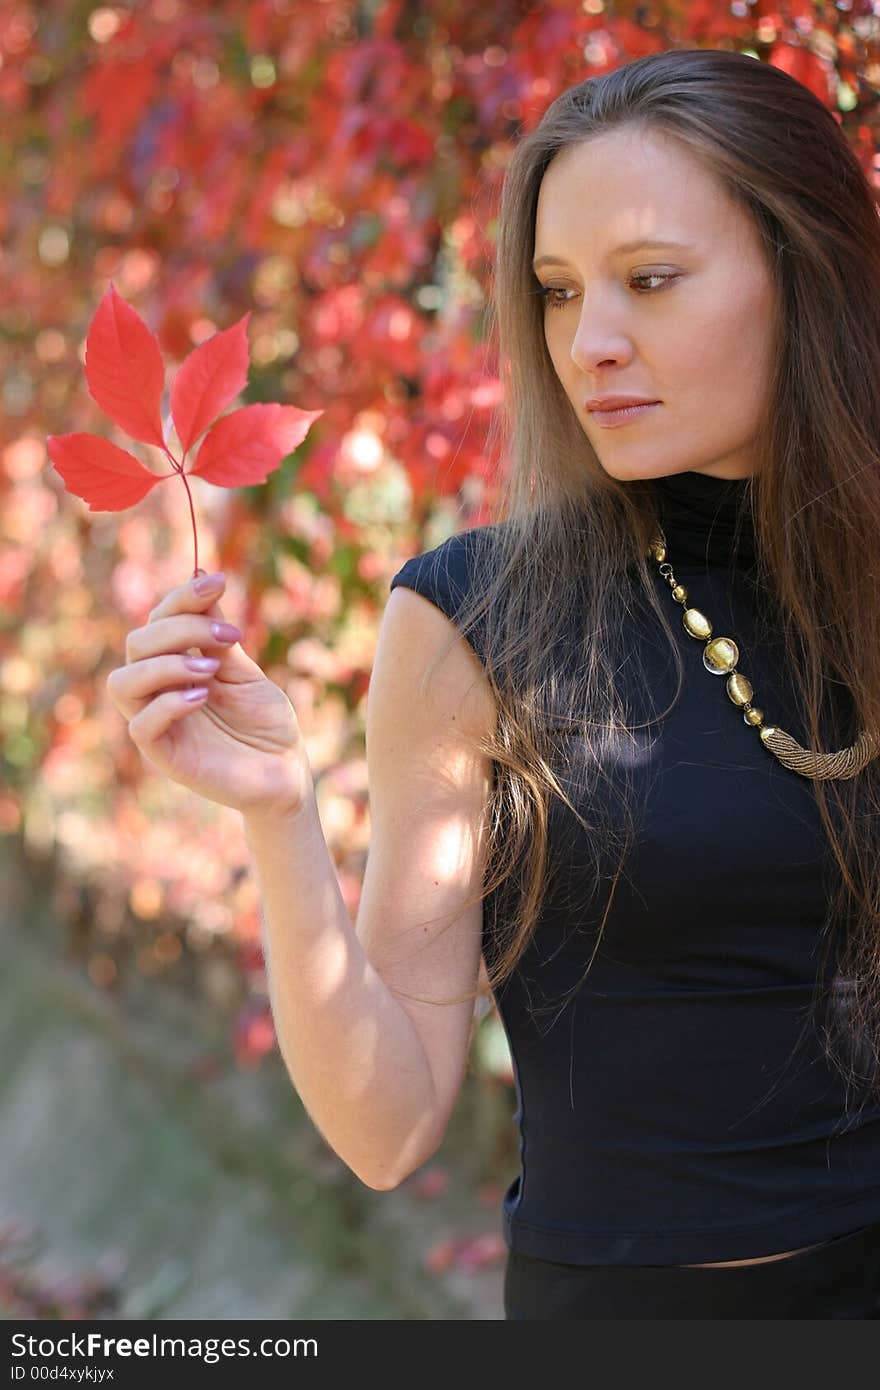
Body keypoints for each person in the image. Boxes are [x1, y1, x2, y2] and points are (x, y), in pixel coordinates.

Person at [106, 47, 880, 1318]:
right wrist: (277, 814)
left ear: (803, 273)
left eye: (649, 281)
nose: (593, 343)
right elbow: (389, 1124)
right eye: (559, 293)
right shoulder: (480, 617)